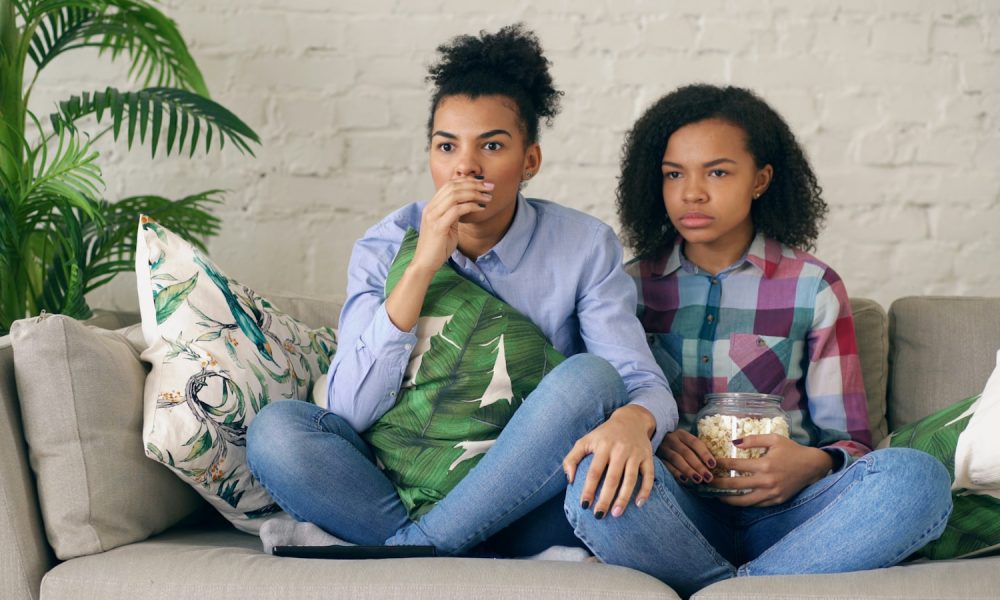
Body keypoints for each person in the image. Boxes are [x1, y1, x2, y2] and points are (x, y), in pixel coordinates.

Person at [246, 24, 676, 558]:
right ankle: (442, 545)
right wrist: (423, 264)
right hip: (394, 482)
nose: (464, 166)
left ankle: (409, 551)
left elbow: (639, 383)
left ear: (530, 161)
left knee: (590, 378)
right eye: (446, 146)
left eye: (491, 145)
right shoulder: (386, 246)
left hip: (525, 492)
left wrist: (636, 420)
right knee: (276, 432)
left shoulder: (584, 246)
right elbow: (348, 409)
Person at [563, 84, 953, 596]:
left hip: (795, 515)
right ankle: (761, 589)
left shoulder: (812, 286)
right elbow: (601, 417)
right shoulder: (625, 286)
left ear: (760, 180)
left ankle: (731, 590)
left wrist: (809, 463)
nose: (692, 192)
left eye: (718, 172)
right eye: (674, 174)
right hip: (674, 516)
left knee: (917, 477)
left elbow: (853, 441)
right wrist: (654, 437)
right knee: (593, 479)